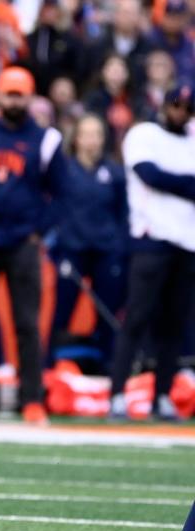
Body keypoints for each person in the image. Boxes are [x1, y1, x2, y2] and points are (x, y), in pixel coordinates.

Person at [0, 67, 67, 425]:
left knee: (27, 322)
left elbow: (63, 193)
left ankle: (32, 398)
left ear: (30, 96)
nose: (13, 100)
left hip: (23, 242)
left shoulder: (46, 139)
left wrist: (39, 230)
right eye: (9, 93)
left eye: (19, 94)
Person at [109, 86, 195, 422]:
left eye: (188, 107)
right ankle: (117, 393)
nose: (181, 112)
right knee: (137, 319)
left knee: (175, 324)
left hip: (187, 241)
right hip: (151, 238)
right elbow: (148, 175)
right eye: (177, 105)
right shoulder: (144, 134)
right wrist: (188, 184)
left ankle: (162, 395)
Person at [48, 114, 128, 371]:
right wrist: (56, 248)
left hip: (107, 252)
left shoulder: (115, 173)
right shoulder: (64, 171)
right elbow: (54, 209)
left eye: (97, 134)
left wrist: (120, 248)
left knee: (107, 314)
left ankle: (108, 370)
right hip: (73, 250)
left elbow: (123, 214)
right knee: (62, 313)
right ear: (77, 138)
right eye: (87, 134)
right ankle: (47, 368)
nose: (92, 140)